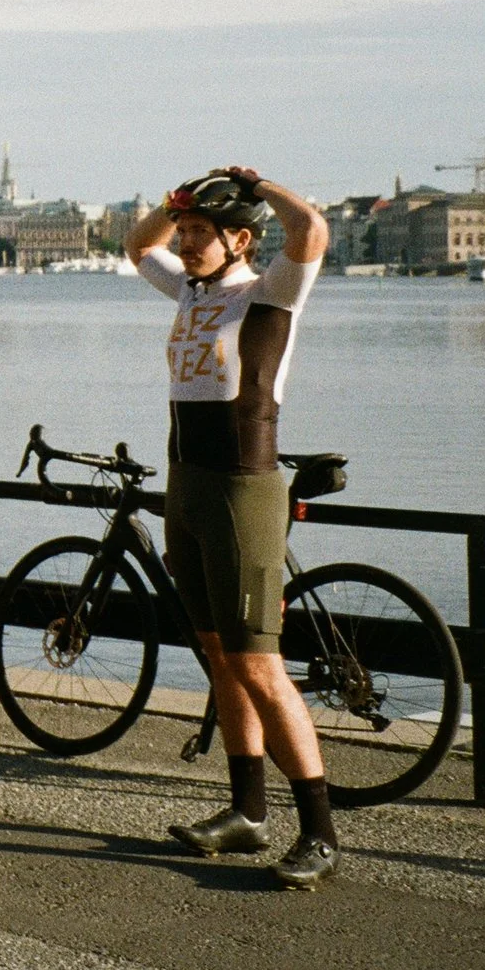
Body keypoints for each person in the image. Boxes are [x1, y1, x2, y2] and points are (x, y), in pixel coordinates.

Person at [126, 168, 338, 889]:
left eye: (197, 234)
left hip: (243, 488)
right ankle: (247, 811)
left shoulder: (270, 293)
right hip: (186, 483)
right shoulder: (192, 289)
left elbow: (311, 230)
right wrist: (178, 202)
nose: (183, 243)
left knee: (257, 664)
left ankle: (319, 830)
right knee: (218, 656)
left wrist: (258, 183)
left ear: (240, 239)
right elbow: (134, 246)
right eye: (182, 234)